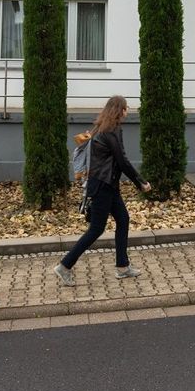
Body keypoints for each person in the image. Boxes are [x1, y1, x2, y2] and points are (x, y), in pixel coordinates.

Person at [53, 96, 151, 285]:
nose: (127, 111)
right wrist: (141, 182)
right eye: (126, 108)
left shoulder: (101, 128)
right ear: (119, 110)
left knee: (123, 219)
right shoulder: (112, 131)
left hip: (107, 185)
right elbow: (122, 161)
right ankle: (64, 266)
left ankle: (123, 267)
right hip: (102, 186)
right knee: (96, 229)